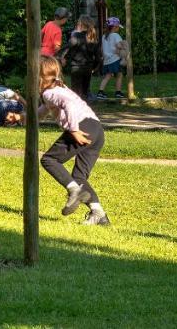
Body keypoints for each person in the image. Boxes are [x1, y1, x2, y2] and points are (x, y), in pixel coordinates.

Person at [38, 55, 109, 225]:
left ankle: (74, 191)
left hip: (82, 127)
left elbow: (69, 105)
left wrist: (74, 129)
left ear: (40, 77)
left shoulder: (49, 92)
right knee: (79, 176)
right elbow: (39, 113)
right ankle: (99, 214)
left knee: (49, 159)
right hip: (97, 129)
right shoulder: (59, 89)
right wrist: (19, 117)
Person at [58, 15, 102, 102]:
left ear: (81, 25)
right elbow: (98, 58)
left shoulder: (76, 36)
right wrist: (94, 68)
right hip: (88, 68)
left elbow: (66, 49)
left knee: (76, 93)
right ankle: (84, 111)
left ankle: (76, 112)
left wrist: (60, 57)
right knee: (85, 93)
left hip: (76, 68)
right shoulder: (93, 38)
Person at [96, 17, 129, 100]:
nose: (118, 29)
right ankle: (118, 92)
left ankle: (100, 92)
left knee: (107, 76)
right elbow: (118, 45)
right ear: (114, 27)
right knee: (119, 75)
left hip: (107, 60)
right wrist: (124, 46)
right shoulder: (116, 35)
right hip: (115, 59)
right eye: (118, 27)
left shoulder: (104, 36)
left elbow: (102, 49)